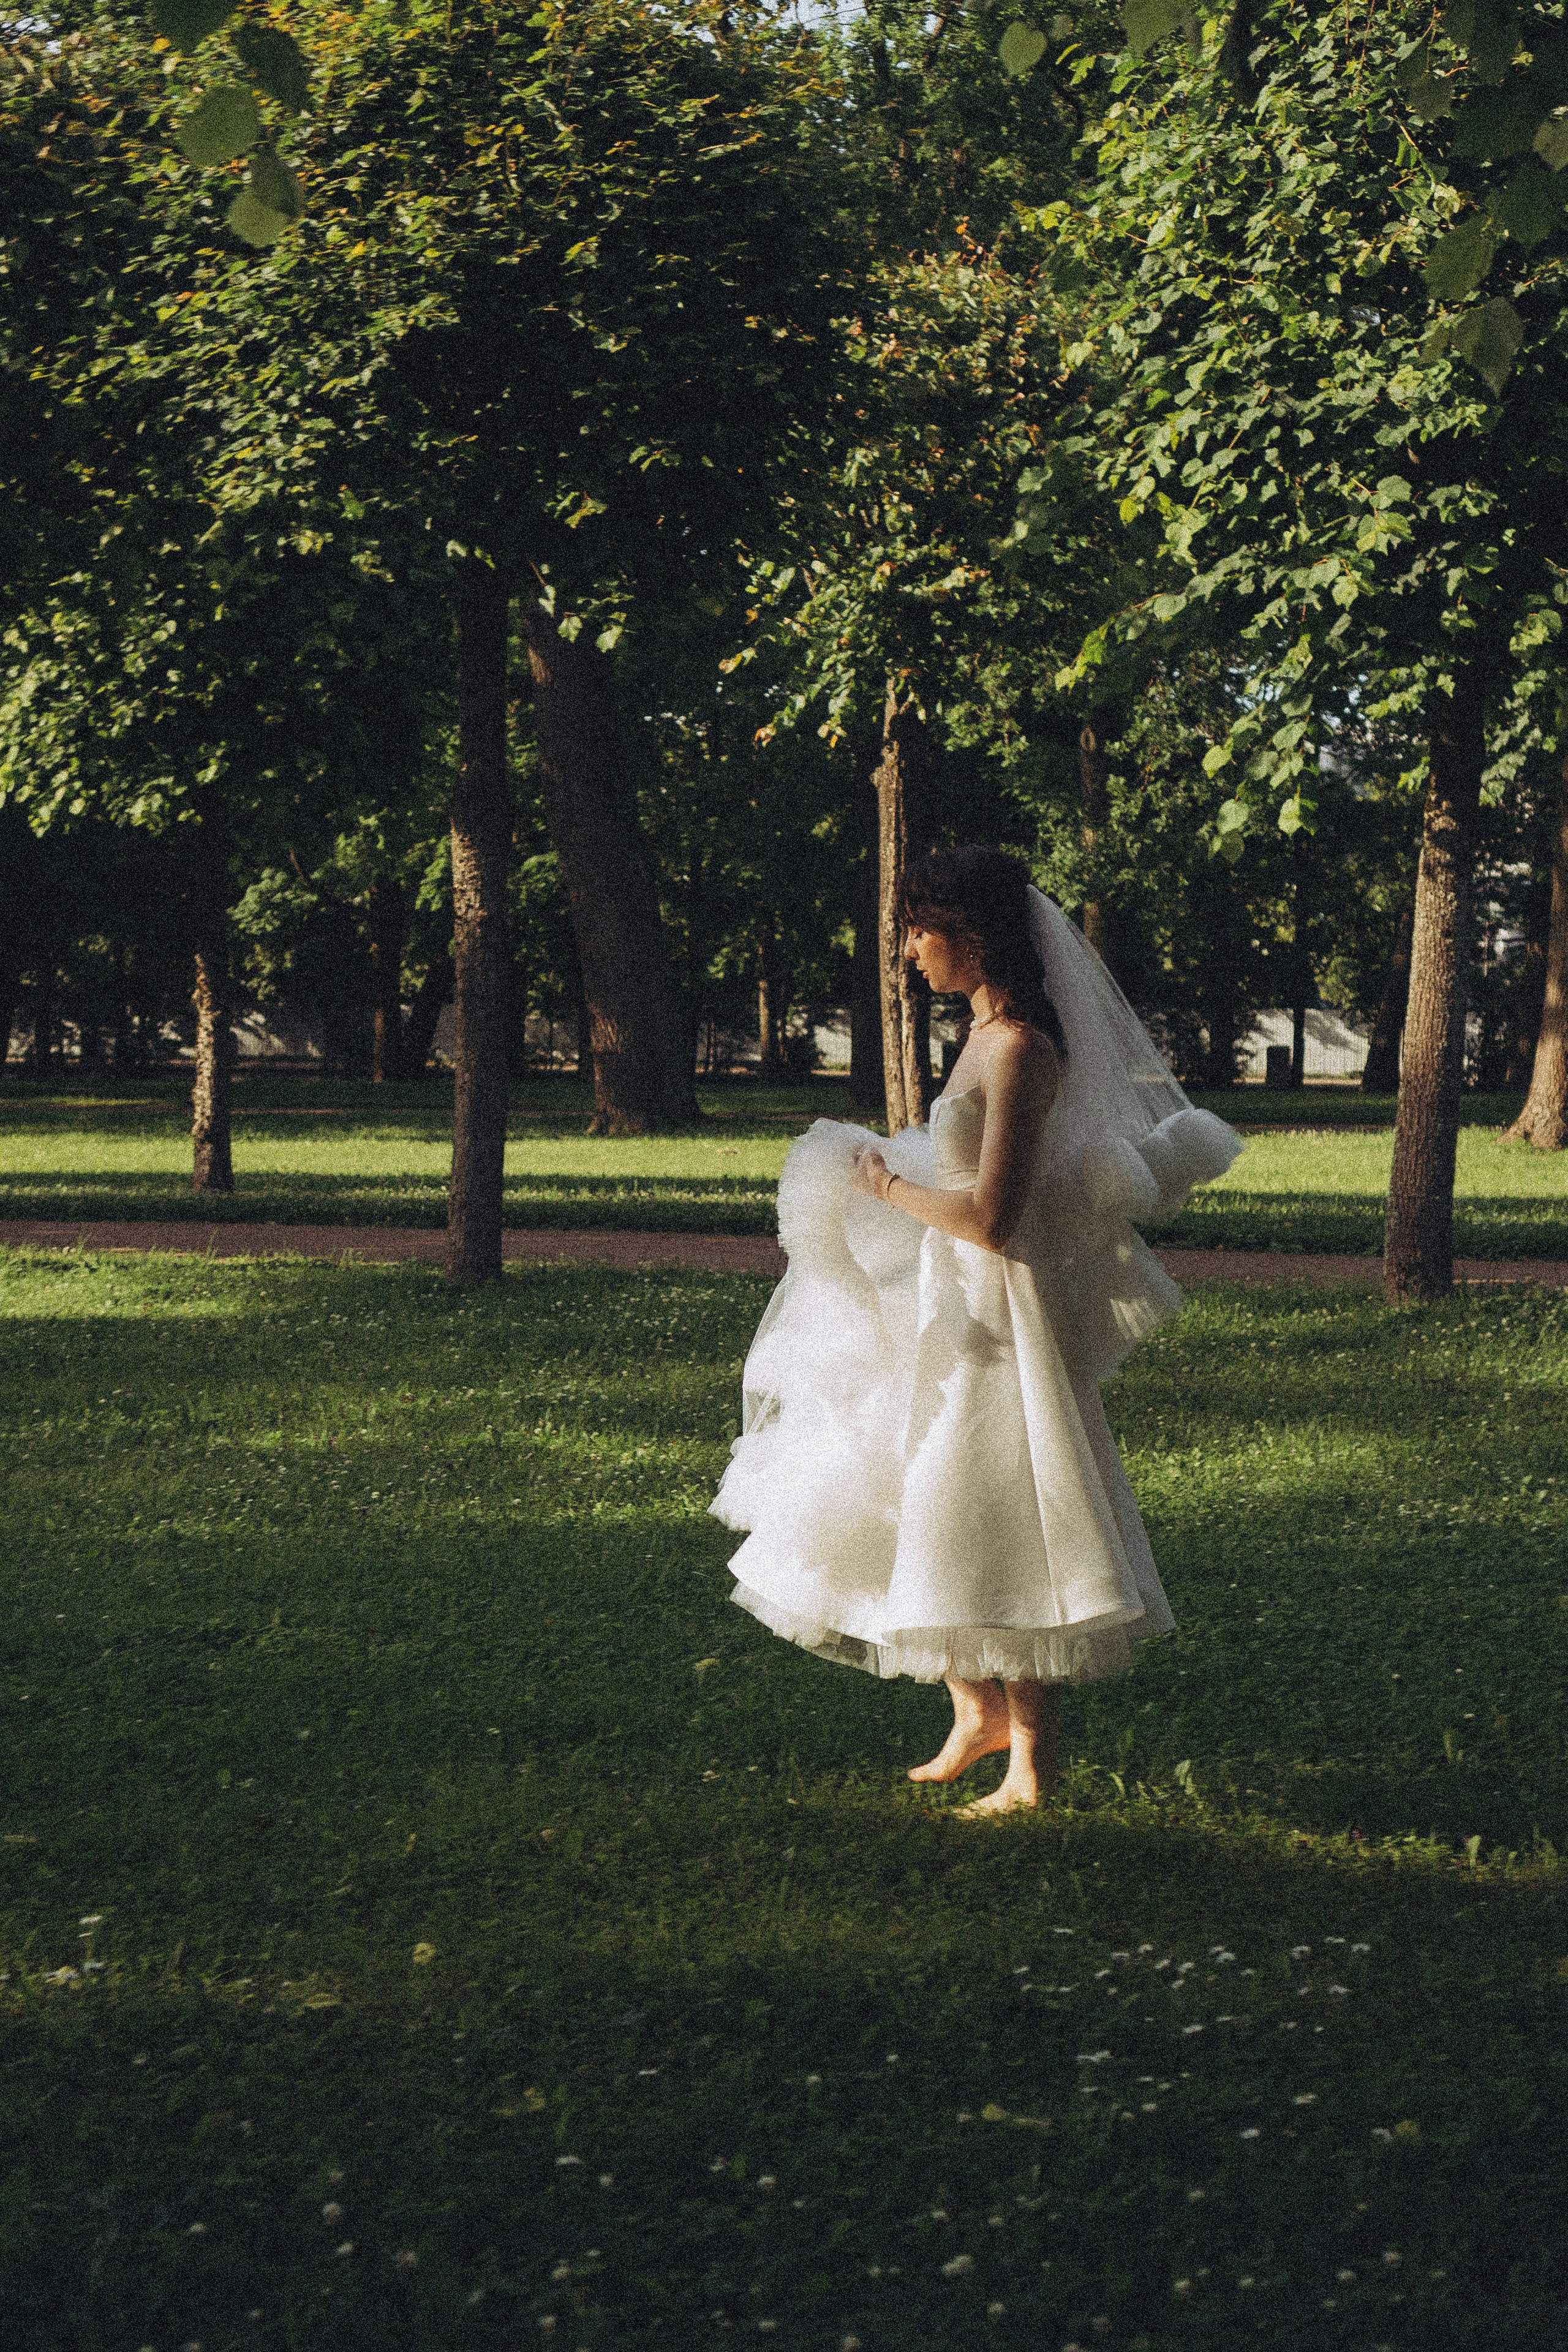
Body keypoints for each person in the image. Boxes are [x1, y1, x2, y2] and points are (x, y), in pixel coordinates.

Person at [710, 846, 1239, 1814]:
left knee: (1006, 1502)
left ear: (976, 935)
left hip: (1000, 1307)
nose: (910, 950)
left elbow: (996, 1217)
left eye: (923, 929)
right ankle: (975, 1710)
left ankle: (1029, 1763)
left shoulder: (1023, 1050)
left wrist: (890, 1189)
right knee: (914, 1487)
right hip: (950, 1298)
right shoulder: (982, 1034)